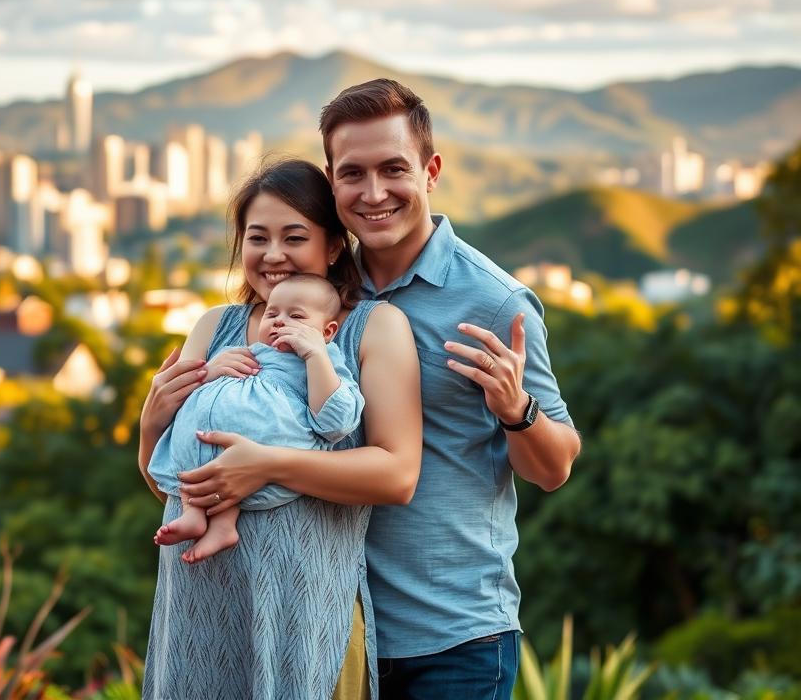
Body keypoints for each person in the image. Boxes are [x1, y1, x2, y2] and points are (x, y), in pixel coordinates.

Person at [177, 80, 582, 700]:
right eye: (352, 174)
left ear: (431, 170)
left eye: (393, 169)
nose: (373, 193)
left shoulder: (492, 302)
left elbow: (554, 469)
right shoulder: (320, 296)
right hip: (334, 623)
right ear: (332, 184)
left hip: (452, 633)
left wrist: (516, 411)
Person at [138, 158, 422, 700]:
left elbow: (397, 475)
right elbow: (168, 483)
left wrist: (264, 466)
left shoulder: (368, 328)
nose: (273, 255)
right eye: (256, 237)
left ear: (334, 245)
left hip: (303, 605)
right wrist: (150, 427)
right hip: (198, 599)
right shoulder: (213, 327)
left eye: (294, 237)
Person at [148, 274, 364, 564]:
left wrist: (315, 357)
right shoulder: (245, 351)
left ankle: (223, 524)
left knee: (235, 454)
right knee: (194, 459)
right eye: (271, 313)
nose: (279, 321)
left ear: (327, 331)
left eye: (296, 316)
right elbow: (190, 392)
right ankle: (194, 514)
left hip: (263, 451)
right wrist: (211, 371)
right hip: (204, 447)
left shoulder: (323, 360)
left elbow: (335, 420)